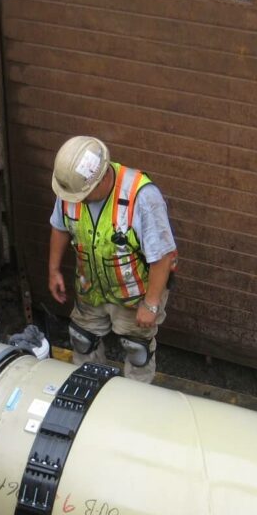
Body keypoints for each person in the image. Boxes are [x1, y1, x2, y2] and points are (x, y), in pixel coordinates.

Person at [47, 136, 177, 383]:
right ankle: (90, 389)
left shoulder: (142, 197)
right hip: (91, 288)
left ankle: (134, 400)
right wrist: (53, 270)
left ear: (102, 178)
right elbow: (59, 226)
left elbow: (164, 256)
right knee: (82, 340)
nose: (76, 200)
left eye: (81, 195)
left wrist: (151, 304)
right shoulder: (72, 187)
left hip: (135, 295)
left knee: (137, 349)